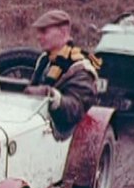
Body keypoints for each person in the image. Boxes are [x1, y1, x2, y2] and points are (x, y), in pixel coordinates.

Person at [24, 9, 100, 138]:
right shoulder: (44, 59)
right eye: (38, 32)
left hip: (62, 132)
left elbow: (77, 108)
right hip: (38, 123)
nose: (38, 36)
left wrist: (53, 96)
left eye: (44, 31)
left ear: (63, 32)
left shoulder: (80, 67)